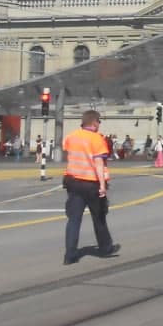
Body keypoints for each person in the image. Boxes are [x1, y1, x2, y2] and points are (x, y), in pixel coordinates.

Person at [61, 110, 120, 265]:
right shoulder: (97, 139)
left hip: (73, 182)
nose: (99, 124)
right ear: (94, 122)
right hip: (91, 184)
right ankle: (105, 248)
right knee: (99, 216)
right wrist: (102, 185)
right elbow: (99, 163)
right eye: (99, 122)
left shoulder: (71, 136)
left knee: (74, 219)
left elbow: (66, 148)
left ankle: (70, 254)